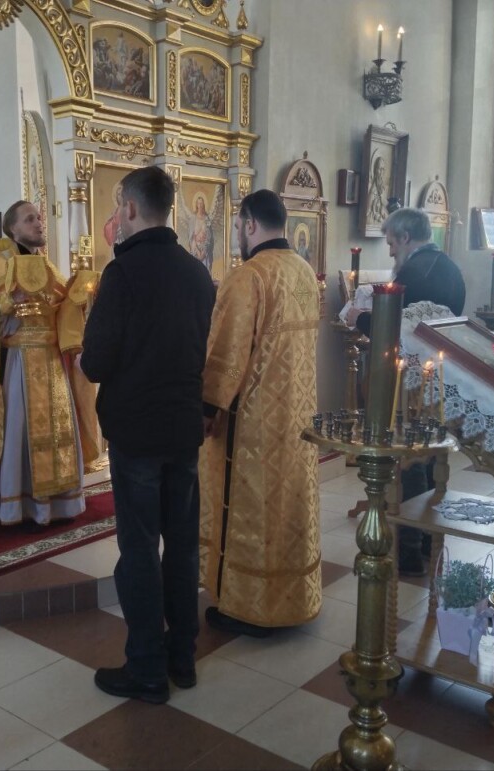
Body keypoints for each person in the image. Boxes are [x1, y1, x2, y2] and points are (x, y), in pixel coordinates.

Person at [80, 165, 216, 704]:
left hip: (136, 432)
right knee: (181, 546)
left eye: (119, 207)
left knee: (138, 549)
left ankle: (146, 670)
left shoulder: (123, 274)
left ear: (131, 208)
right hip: (183, 428)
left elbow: (95, 362)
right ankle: (182, 656)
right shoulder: (197, 272)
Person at [198, 189, 323, 638]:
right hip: (298, 418)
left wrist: (208, 408)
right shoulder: (304, 271)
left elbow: (226, 354)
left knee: (250, 510)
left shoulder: (248, 276)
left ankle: (245, 606)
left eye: (237, 227)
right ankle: (293, 598)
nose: (238, 234)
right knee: (289, 506)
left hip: (253, 422)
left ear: (250, 224)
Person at [0, 200, 99, 529]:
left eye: (39, 217)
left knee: (59, 431)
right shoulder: (3, 262)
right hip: (20, 363)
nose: (38, 223)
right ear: (13, 228)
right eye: (30, 219)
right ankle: (18, 506)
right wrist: (8, 302)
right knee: (20, 432)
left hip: (53, 364)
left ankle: (57, 504)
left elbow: (60, 306)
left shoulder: (46, 266)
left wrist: (79, 295)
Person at [344, 207, 466, 576]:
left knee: (410, 460)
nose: (391, 251)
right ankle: (428, 541)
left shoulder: (414, 273)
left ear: (406, 237)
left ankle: (409, 550)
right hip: (438, 379)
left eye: (392, 243)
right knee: (430, 460)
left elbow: (395, 327)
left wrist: (359, 318)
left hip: (411, 382)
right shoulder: (451, 268)